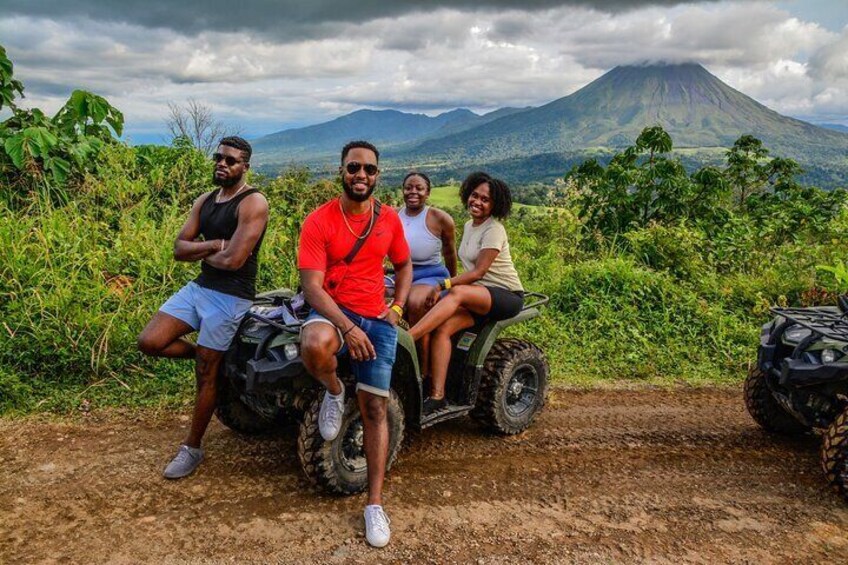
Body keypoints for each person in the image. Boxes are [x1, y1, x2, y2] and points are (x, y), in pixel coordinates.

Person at [298, 140, 411, 548]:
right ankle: (333, 390)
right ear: (341, 171)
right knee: (312, 341)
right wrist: (346, 327)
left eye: (369, 169)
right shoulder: (319, 220)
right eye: (353, 167)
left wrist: (397, 308)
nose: (361, 175)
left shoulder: (390, 220)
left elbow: (403, 265)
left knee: (376, 407)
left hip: (376, 317)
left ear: (378, 175)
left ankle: (374, 505)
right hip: (333, 312)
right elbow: (312, 287)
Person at [137, 136, 269, 480]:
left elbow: (235, 260)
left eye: (231, 160)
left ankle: (192, 447)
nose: (222, 164)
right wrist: (212, 244)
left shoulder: (253, 203)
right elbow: (179, 249)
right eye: (219, 157)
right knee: (150, 341)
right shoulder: (205, 200)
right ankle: (212, 360)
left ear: (245, 167)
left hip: (232, 296)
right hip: (199, 288)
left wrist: (203, 250)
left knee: (204, 374)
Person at [408, 172, 523, 414]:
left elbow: (479, 272)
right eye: (475, 196)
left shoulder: (494, 230)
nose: (478, 202)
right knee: (443, 329)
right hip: (479, 296)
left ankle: (410, 337)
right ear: (467, 194)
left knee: (456, 293)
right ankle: (437, 395)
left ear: (495, 205)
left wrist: (442, 285)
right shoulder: (470, 225)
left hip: (505, 295)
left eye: (485, 200)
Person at [397, 171, 456, 381]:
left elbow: (450, 252)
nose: (413, 192)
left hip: (431, 273)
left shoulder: (439, 218)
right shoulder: (395, 216)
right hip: (401, 273)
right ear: (402, 191)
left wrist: (451, 284)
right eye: (409, 187)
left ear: (427, 193)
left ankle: (422, 371)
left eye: (419, 188)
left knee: (416, 301)